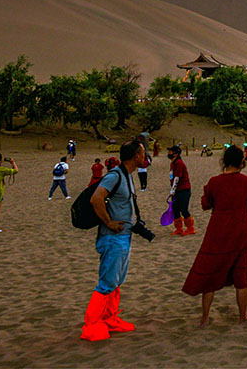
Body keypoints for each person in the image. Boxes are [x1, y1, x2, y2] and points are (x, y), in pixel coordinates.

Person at [183, 145, 247, 327]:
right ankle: (242, 316)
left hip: (217, 230)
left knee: (210, 271)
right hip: (240, 228)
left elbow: (205, 204)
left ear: (224, 161)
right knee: (241, 274)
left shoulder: (214, 182)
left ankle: (205, 318)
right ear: (242, 161)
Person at [81, 139, 145, 341]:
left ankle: (110, 318)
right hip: (112, 238)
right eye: (142, 152)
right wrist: (108, 222)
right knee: (107, 283)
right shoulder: (115, 175)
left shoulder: (126, 176)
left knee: (116, 281)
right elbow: (96, 198)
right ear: (136, 156)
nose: (145, 156)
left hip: (123, 237)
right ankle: (92, 325)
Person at [168, 145, 195, 236]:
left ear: (176, 153)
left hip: (184, 189)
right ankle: (179, 228)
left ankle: (190, 228)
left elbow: (177, 178)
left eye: (171, 152)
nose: (169, 153)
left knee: (184, 209)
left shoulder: (179, 163)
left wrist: (172, 189)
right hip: (177, 190)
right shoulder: (173, 163)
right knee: (175, 209)